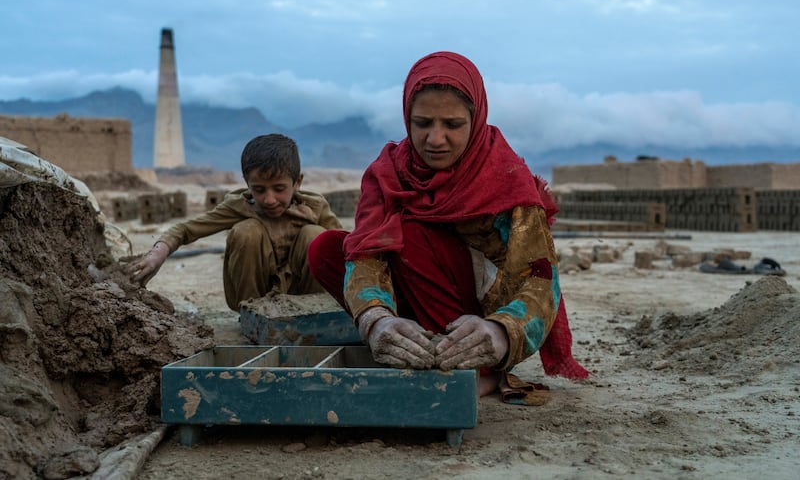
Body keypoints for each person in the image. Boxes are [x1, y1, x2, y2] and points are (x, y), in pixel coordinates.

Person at [308, 51, 589, 397]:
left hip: (477, 325)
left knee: (410, 233)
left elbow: (541, 279)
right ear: (407, 118)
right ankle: (408, 340)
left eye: (452, 125)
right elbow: (366, 254)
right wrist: (377, 320)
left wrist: (501, 332)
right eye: (422, 123)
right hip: (413, 294)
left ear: (476, 120)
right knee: (327, 248)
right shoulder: (389, 172)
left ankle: (478, 370)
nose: (435, 139)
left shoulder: (505, 178)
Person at [127, 133, 342, 311]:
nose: (269, 199)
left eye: (279, 189)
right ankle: (253, 314)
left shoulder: (314, 207)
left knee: (317, 236)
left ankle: (314, 312)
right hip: (255, 297)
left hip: (303, 299)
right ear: (247, 184)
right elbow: (186, 229)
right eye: (258, 189)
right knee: (247, 231)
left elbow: (346, 248)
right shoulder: (241, 206)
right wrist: (158, 253)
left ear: (297, 183)